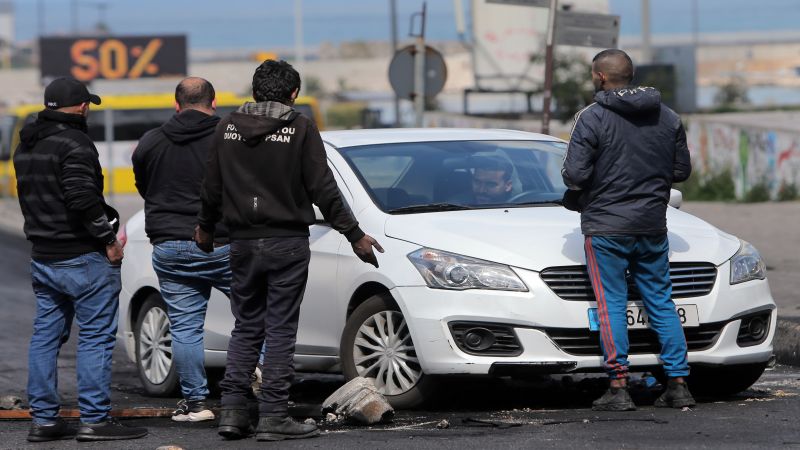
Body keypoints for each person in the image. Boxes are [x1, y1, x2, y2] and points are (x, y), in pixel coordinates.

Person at [196, 59, 384, 442]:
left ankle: (232, 413)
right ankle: (274, 416)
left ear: (254, 90)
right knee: (280, 329)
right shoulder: (300, 128)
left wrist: (205, 228)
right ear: (293, 93)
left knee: (247, 326)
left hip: (243, 243)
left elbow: (211, 186)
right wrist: (355, 236)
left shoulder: (226, 127)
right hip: (287, 242)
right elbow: (323, 189)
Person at [13, 77, 148, 442]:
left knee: (45, 337)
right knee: (95, 339)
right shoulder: (74, 143)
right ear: (82, 107)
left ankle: (43, 420)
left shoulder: (27, 145)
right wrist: (108, 240)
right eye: (88, 104)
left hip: (44, 256)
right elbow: (81, 198)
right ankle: (94, 419)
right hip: (82, 256)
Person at [561, 49, 694, 411]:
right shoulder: (667, 116)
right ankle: (678, 384)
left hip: (606, 227)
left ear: (601, 77)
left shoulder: (591, 117)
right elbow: (681, 170)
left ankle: (618, 386)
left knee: (611, 305)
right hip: (652, 224)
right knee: (662, 302)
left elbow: (574, 175)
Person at [131, 77, 231, 422]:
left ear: (176, 105)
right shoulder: (228, 138)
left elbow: (144, 185)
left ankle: (197, 403)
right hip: (222, 242)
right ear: (213, 103)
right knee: (253, 314)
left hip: (169, 245)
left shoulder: (151, 141)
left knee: (186, 326)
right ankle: (255, 384)